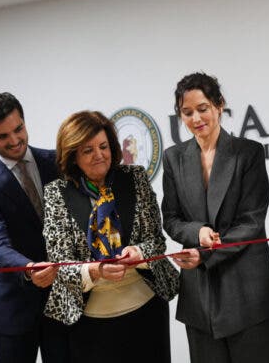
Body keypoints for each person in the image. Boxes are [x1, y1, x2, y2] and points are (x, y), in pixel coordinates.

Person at [162, 72, 269, 363]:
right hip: (199, 298)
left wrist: (205, 253)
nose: (196, 118)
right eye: (187, 112)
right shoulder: (173, 158)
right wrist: (197, 232)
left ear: (219, 105)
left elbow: (252, 221)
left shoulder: (248, 153)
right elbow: (170, 218)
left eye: (202, 108)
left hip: (248, 291)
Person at [42, 110, 179, 361]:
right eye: (88, 150)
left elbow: (156, 241)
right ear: (73, 156)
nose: (99, 155)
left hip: (147, 311)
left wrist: (139, 252)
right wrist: (94, 270)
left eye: (103, 146)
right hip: (90, 322)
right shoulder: (56, 194)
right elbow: (59, 263)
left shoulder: (135, 178)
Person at [0, 92, 72, 362]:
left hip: (66, 303)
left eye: (19, 129)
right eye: (2, 136)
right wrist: (28, 268)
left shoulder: (58, 162)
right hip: (15, 310)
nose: (14, 140)